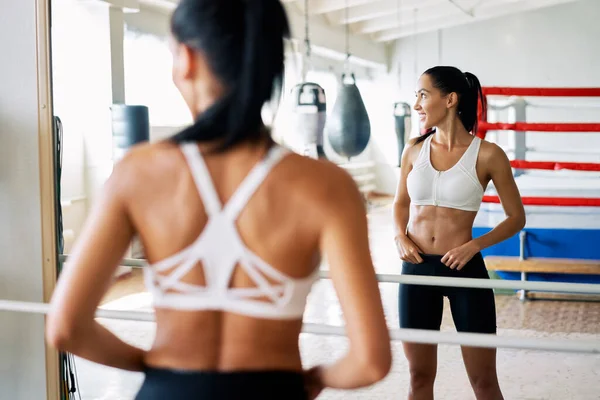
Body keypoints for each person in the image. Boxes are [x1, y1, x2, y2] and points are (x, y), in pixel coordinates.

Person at [46, 1, 392, 399]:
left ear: (186, 59)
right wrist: (311, 380)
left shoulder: (138, 173)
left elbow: (65, 326)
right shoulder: (327, 185)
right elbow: (370, 361)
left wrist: (157, 370)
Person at [393, 66, 525, 400]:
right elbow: (399, 204)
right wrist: (399, 235)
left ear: (450, 99)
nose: (417, 105)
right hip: (417, 269)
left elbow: (515, 218)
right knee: (419, 377)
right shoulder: (413, 150)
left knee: (483, 382)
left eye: (423, 95)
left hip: (464, 270)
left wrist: (474, 246)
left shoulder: (488, 154)